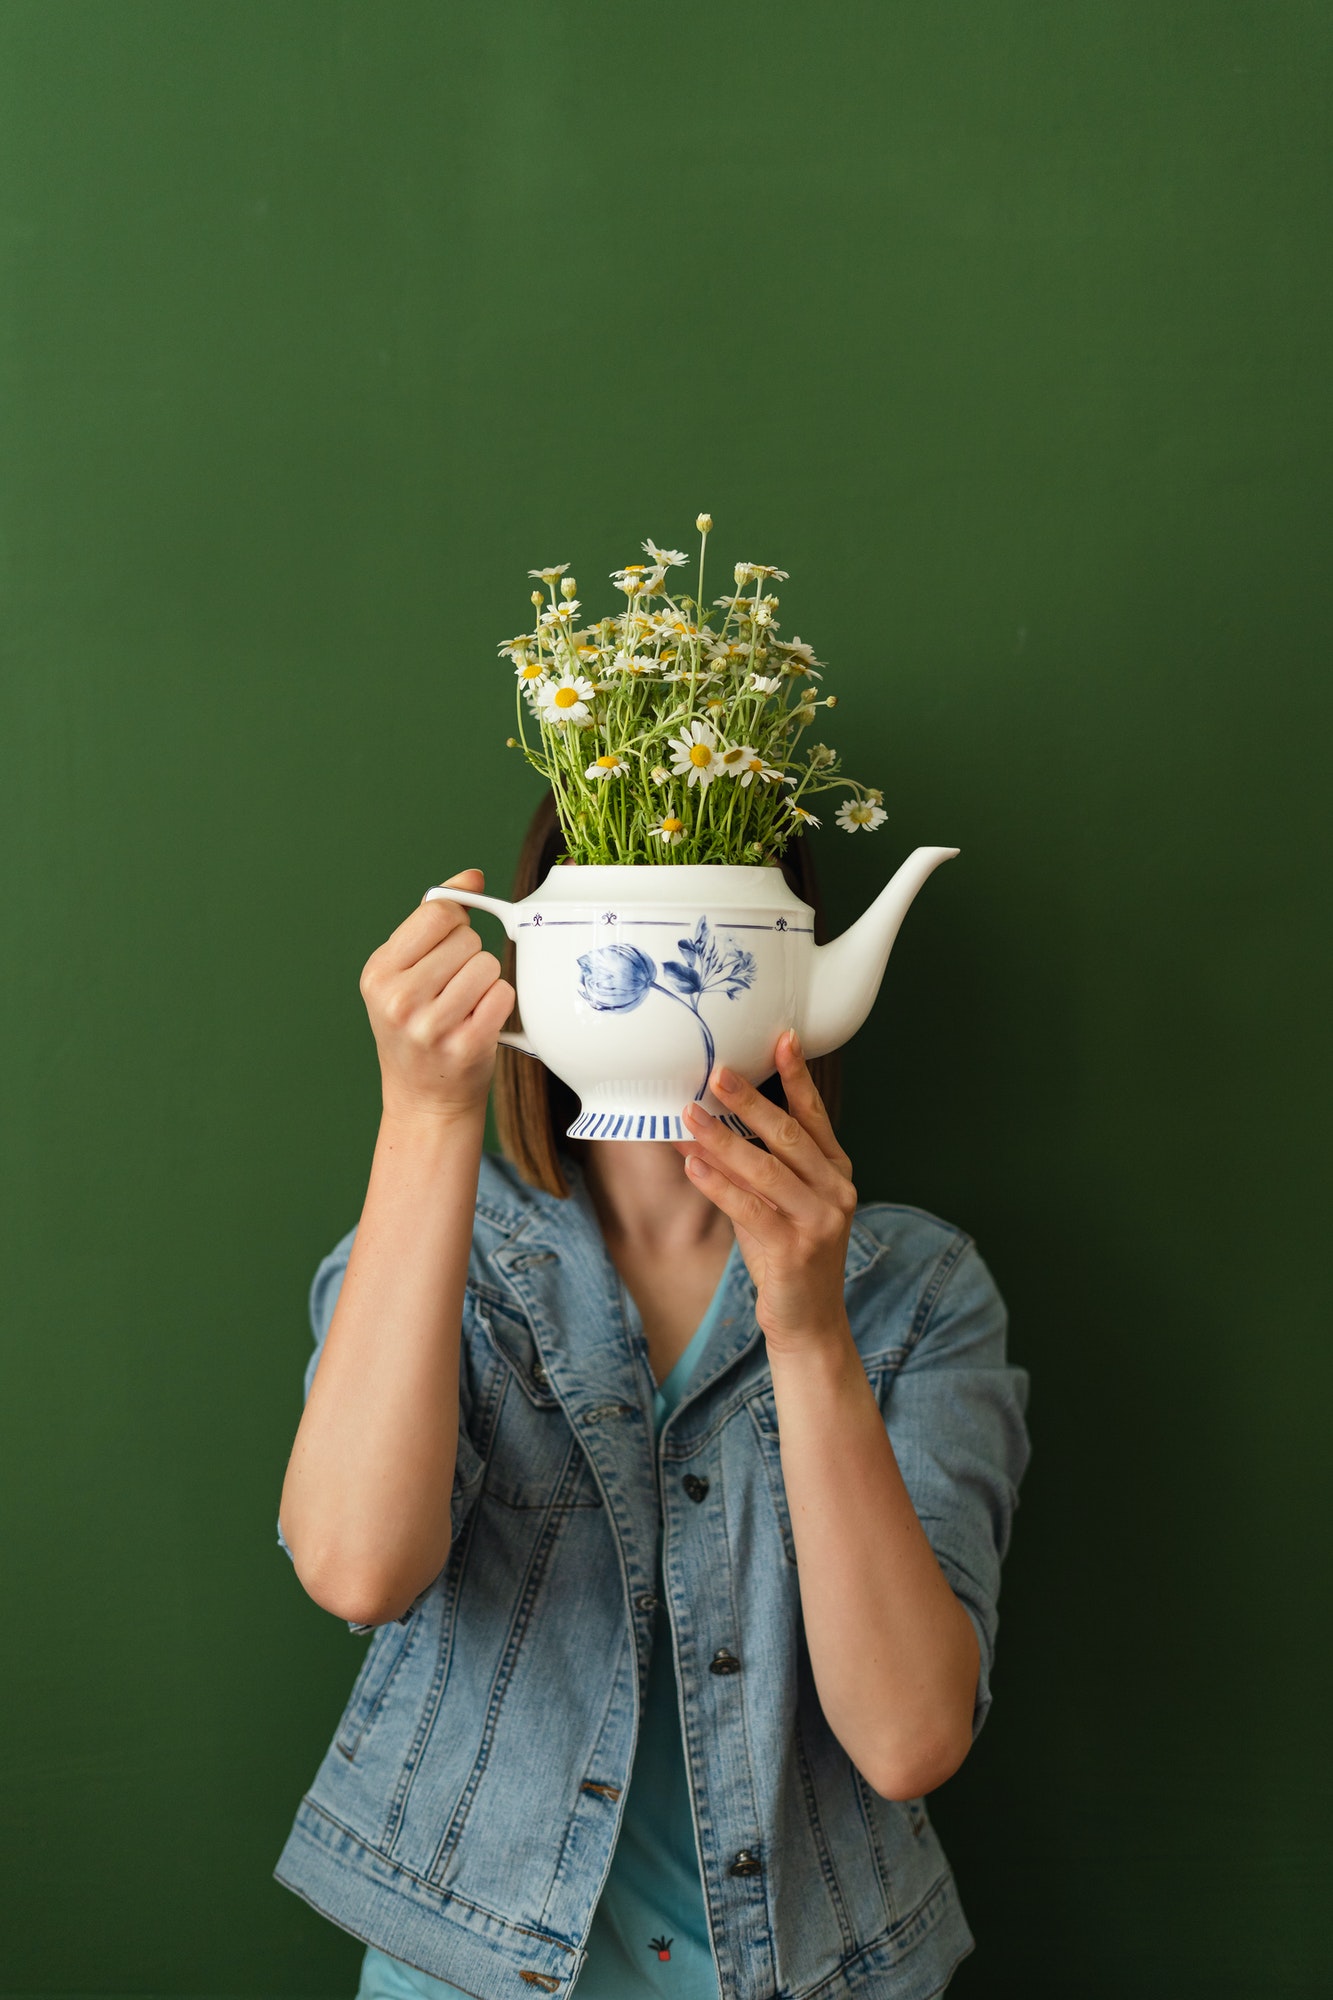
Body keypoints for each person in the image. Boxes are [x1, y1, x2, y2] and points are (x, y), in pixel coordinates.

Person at [274, 795, 1032, 2000]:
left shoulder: (918, 1291)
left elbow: (908, 1738)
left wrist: (809, 1329)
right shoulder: (442, 1255)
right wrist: (424, 1114)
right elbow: (357, 1568)